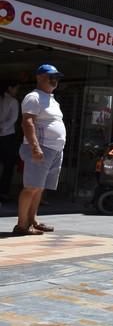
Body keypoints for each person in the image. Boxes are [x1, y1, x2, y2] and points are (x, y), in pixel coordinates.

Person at [12, 66, 67, 236]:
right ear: (40, 77)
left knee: (39, 187)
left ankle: (32, 220)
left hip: (54, 150)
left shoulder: (52, 99)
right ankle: (22, 225)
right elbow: (27, 123)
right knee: (31, 187)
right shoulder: (33, 97)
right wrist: (35, 147)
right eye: (51, 76)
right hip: (40, 148)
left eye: (56, 77)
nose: (54, 80)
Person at [0, 81, 19, 203]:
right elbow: (13, 119)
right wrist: (2, 128)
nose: (16, 91)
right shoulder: (13, 101)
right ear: (9, 88)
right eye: (16, 88)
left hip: (4, 133)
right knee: (8, 165)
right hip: (7, 135)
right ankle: (3, 192)